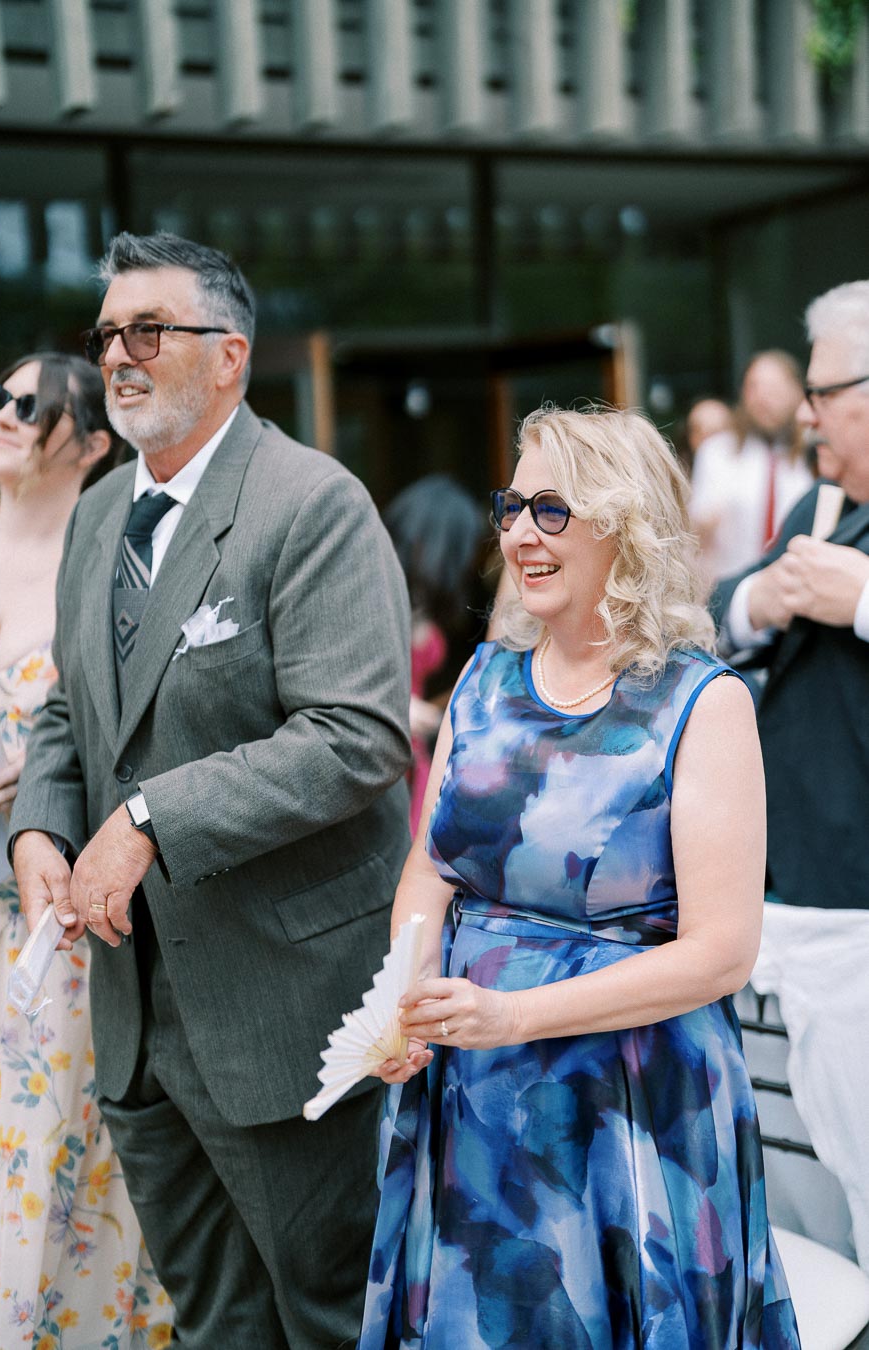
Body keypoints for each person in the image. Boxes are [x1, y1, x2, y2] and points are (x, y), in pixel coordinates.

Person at [8, 231, 412, 1350]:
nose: (119, 357)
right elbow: (66, 711)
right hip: (136, 1016)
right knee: (217, 1322)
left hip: (283, 1009)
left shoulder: (310, 505)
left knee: (334, 1319)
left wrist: (148, 819)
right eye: (106, 336)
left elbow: (356, 735)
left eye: (150, 331)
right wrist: (41, 827)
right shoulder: (97, 514)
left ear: (229, 355)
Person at [360, 405, 799, 1348]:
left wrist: (513, 1016)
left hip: (631, 1108)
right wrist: (400, 1005)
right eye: (512, 507)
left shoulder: (701, 703)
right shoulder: (482, 681)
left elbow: (722, 953)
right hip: (478, 1105)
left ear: (625, 526)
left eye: (551, 510)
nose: (519, 532)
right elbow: (433, 872)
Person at [0, 352, 171, 1347]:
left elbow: (149, 749)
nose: (3, 414)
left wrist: (53, 782)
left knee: (50, 1156)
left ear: (91, 444)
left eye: (31, 404)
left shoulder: (110, 576)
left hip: (52, 927)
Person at [713, 280, 869, 1268]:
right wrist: (761, 596)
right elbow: (726, 609)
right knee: (810, 1204)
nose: (804, 413)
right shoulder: (823, 504)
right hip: (787, 913)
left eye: (826, 390)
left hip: (859, 922)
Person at [382, 475, 488, 833]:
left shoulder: (421, 600)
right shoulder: (379, 593)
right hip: (388, 763)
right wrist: (404, 709)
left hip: (413, 763)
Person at [689, 351, 814, 581]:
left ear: (797, 394)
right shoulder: (717, 452)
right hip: (727, 593)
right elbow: (696, 529)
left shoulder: (812, 457)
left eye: (773, 390)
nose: (762, 399)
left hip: (791, 592)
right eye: (753, 387)